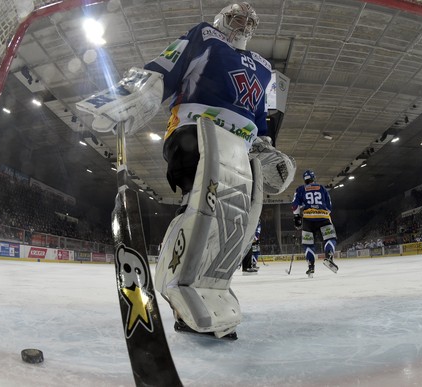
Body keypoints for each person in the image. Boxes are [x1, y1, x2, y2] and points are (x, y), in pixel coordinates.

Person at [77, 3, 295, 339]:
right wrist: (133, 95)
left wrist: (266, 147)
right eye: (237, 18)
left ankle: (211, 290)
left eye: (250, 21)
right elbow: (165, 67)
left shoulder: (265, 67)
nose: (244, 25)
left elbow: (259, 114)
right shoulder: (204, 35)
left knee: (239, 219)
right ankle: (179, 287)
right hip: (196, 133)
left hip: (240, 149)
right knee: (203, 208)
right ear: (224, 18)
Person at [291, 170, 338, 277]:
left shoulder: (300, 189)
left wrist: (297, 217)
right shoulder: (322, 188)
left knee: (308, 244)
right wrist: (322, 212)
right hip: (323, 217)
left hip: (308, 219)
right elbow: (329, 206)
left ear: (305, 179)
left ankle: (311, 267)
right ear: (313, 178)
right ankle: (329, 256)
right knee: (330, 238)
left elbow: (295, 205)